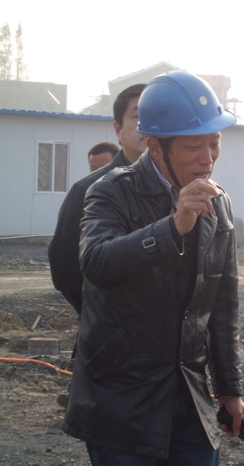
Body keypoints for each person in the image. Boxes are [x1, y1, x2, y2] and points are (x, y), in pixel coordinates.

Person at [62, 71, 244, 466]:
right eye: (193, 146)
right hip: (121, 397)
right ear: (155, 147)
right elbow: (95, 262)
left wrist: (229, 389)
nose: (207, 158)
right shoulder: (110, 191)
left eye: (214, 142)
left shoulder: (218, 204)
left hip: (188, 393)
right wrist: (172, 228)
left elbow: (223, 306)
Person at [48, 84, 147, 316]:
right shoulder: (87, 189)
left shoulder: (178, 189)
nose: (149, 125)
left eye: (157, 116)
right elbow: (65, 271)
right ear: (118, 129)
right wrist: (102, 318)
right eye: (138, 117)